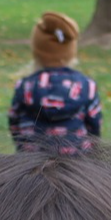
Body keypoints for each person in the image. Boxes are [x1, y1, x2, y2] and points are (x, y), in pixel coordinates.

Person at [7, 11, 102, 153]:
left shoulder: (25, 86)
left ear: (36, 51)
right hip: (77, 163)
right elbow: (94, 124)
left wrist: (22, 147)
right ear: (71, 53)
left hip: (31, 161)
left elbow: (14, 121)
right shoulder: (87, 86)